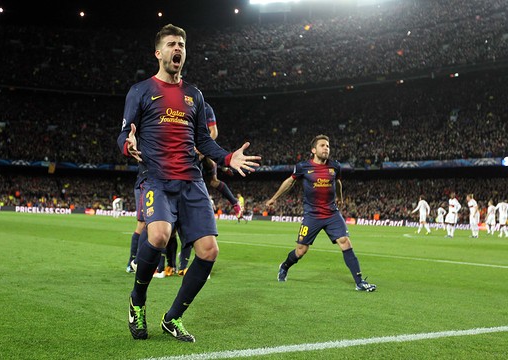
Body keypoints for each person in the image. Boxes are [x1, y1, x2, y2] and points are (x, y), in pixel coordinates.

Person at [117, 24, 260, 342]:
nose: (177, 48)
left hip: (191, 181)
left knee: (209, 251)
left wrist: (227, 158)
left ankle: (172, 318)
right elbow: (122, 135)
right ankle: (137, 301)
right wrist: (128, 144)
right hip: (154, 176)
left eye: (181, 43)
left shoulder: (194, 95)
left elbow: (203, 142)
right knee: (159, 233)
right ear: (159, 52)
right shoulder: (140, 91)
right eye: (171, 43)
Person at [265, 134, 376, 292]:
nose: (326, 148)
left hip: (332, 214)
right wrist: (274, 198)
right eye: (323, 145)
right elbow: (289, 182)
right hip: (312, 216)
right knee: (301, 251)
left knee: (345, 241)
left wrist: (340, 197)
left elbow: (337, 182)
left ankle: (359, 282)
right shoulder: (303, 167)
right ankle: (284, 266)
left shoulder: (335, 166)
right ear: (313, 150)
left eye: (328, 146)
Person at [199, 102, 244, 219]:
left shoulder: (205, 108)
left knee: (213, 180)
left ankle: (235, 202)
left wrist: (201, 148)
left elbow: (214, 132)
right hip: (188, 146)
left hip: (201, 146)